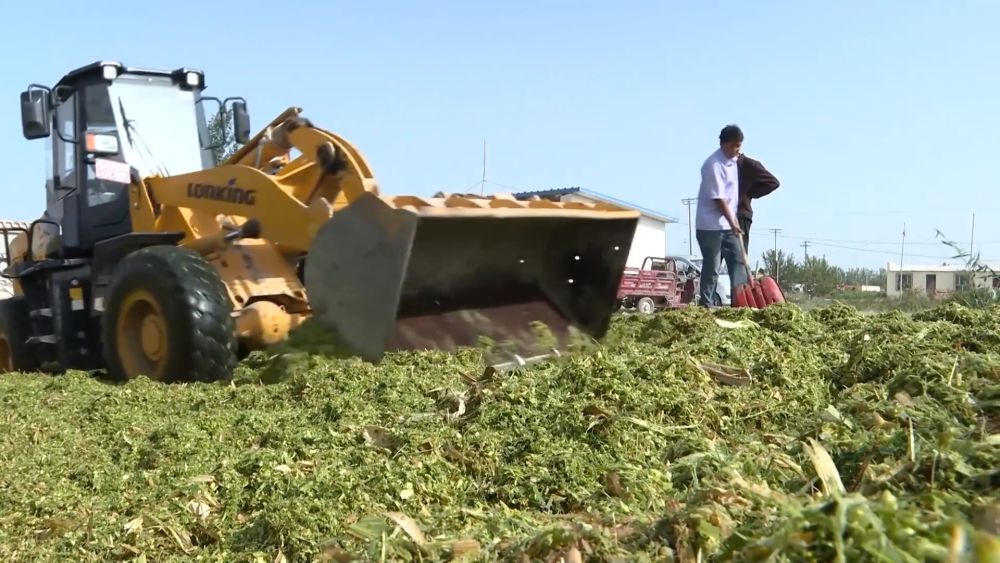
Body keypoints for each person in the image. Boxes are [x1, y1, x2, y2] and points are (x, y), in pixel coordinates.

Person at [695, 124, 749, 307]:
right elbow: (719, 199)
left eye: (739, 146)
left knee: (738, 261)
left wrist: (732, 221)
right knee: (713, 267)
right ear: (724, 144)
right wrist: (733, 222)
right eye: (735, 146)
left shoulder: (733, 161)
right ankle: (706, 306)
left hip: (728, 225)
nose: (738, 150)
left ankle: (740, 303)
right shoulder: (713, 165)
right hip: (710, 226)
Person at [736, 153, 780, 253]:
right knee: (714, 256)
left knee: (739, 255)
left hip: (740, 216)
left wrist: (749, 193)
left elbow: (773, 182)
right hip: (721, 218)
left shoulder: (749, 164)